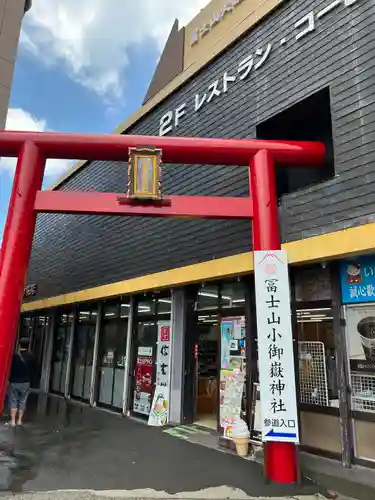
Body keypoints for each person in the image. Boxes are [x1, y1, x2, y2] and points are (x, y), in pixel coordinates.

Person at [6, 339, 34, 427]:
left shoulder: (14, 356)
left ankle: (13, 421)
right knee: (23, 400)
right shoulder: (31, 356)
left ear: (19, 345)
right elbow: (34, 369)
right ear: (28, 345)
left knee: (13, 400)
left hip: (14, 381)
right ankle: (19, 420)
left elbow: (10, 367)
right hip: (25, 381)